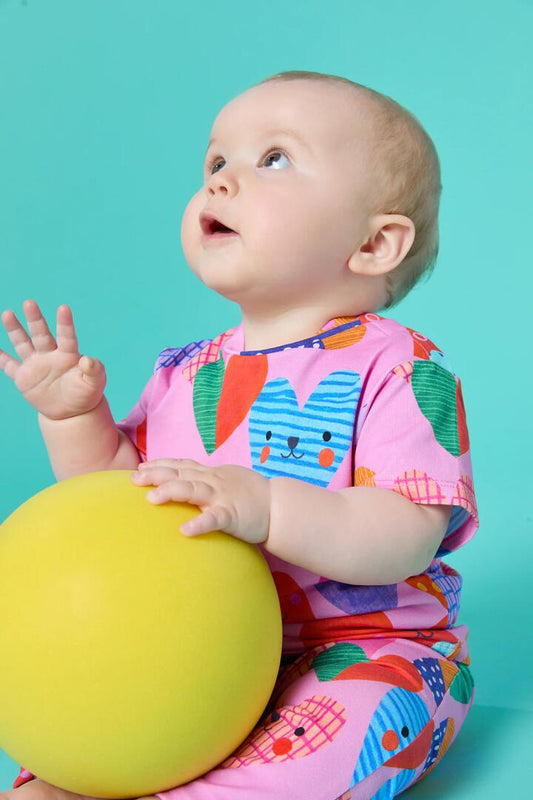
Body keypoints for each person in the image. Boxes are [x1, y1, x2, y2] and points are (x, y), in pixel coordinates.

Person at [0, 70, 479, 800]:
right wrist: (74, 420)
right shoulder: (190, 373)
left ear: (375, 242)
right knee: (97, 731)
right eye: (215, 162)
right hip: (199, 652)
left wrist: (269, 508)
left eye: (273, 158)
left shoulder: (402, 369)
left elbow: (405, 532)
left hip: (355, 650)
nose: (220, 182)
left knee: (342, 739)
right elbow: (121, 506)